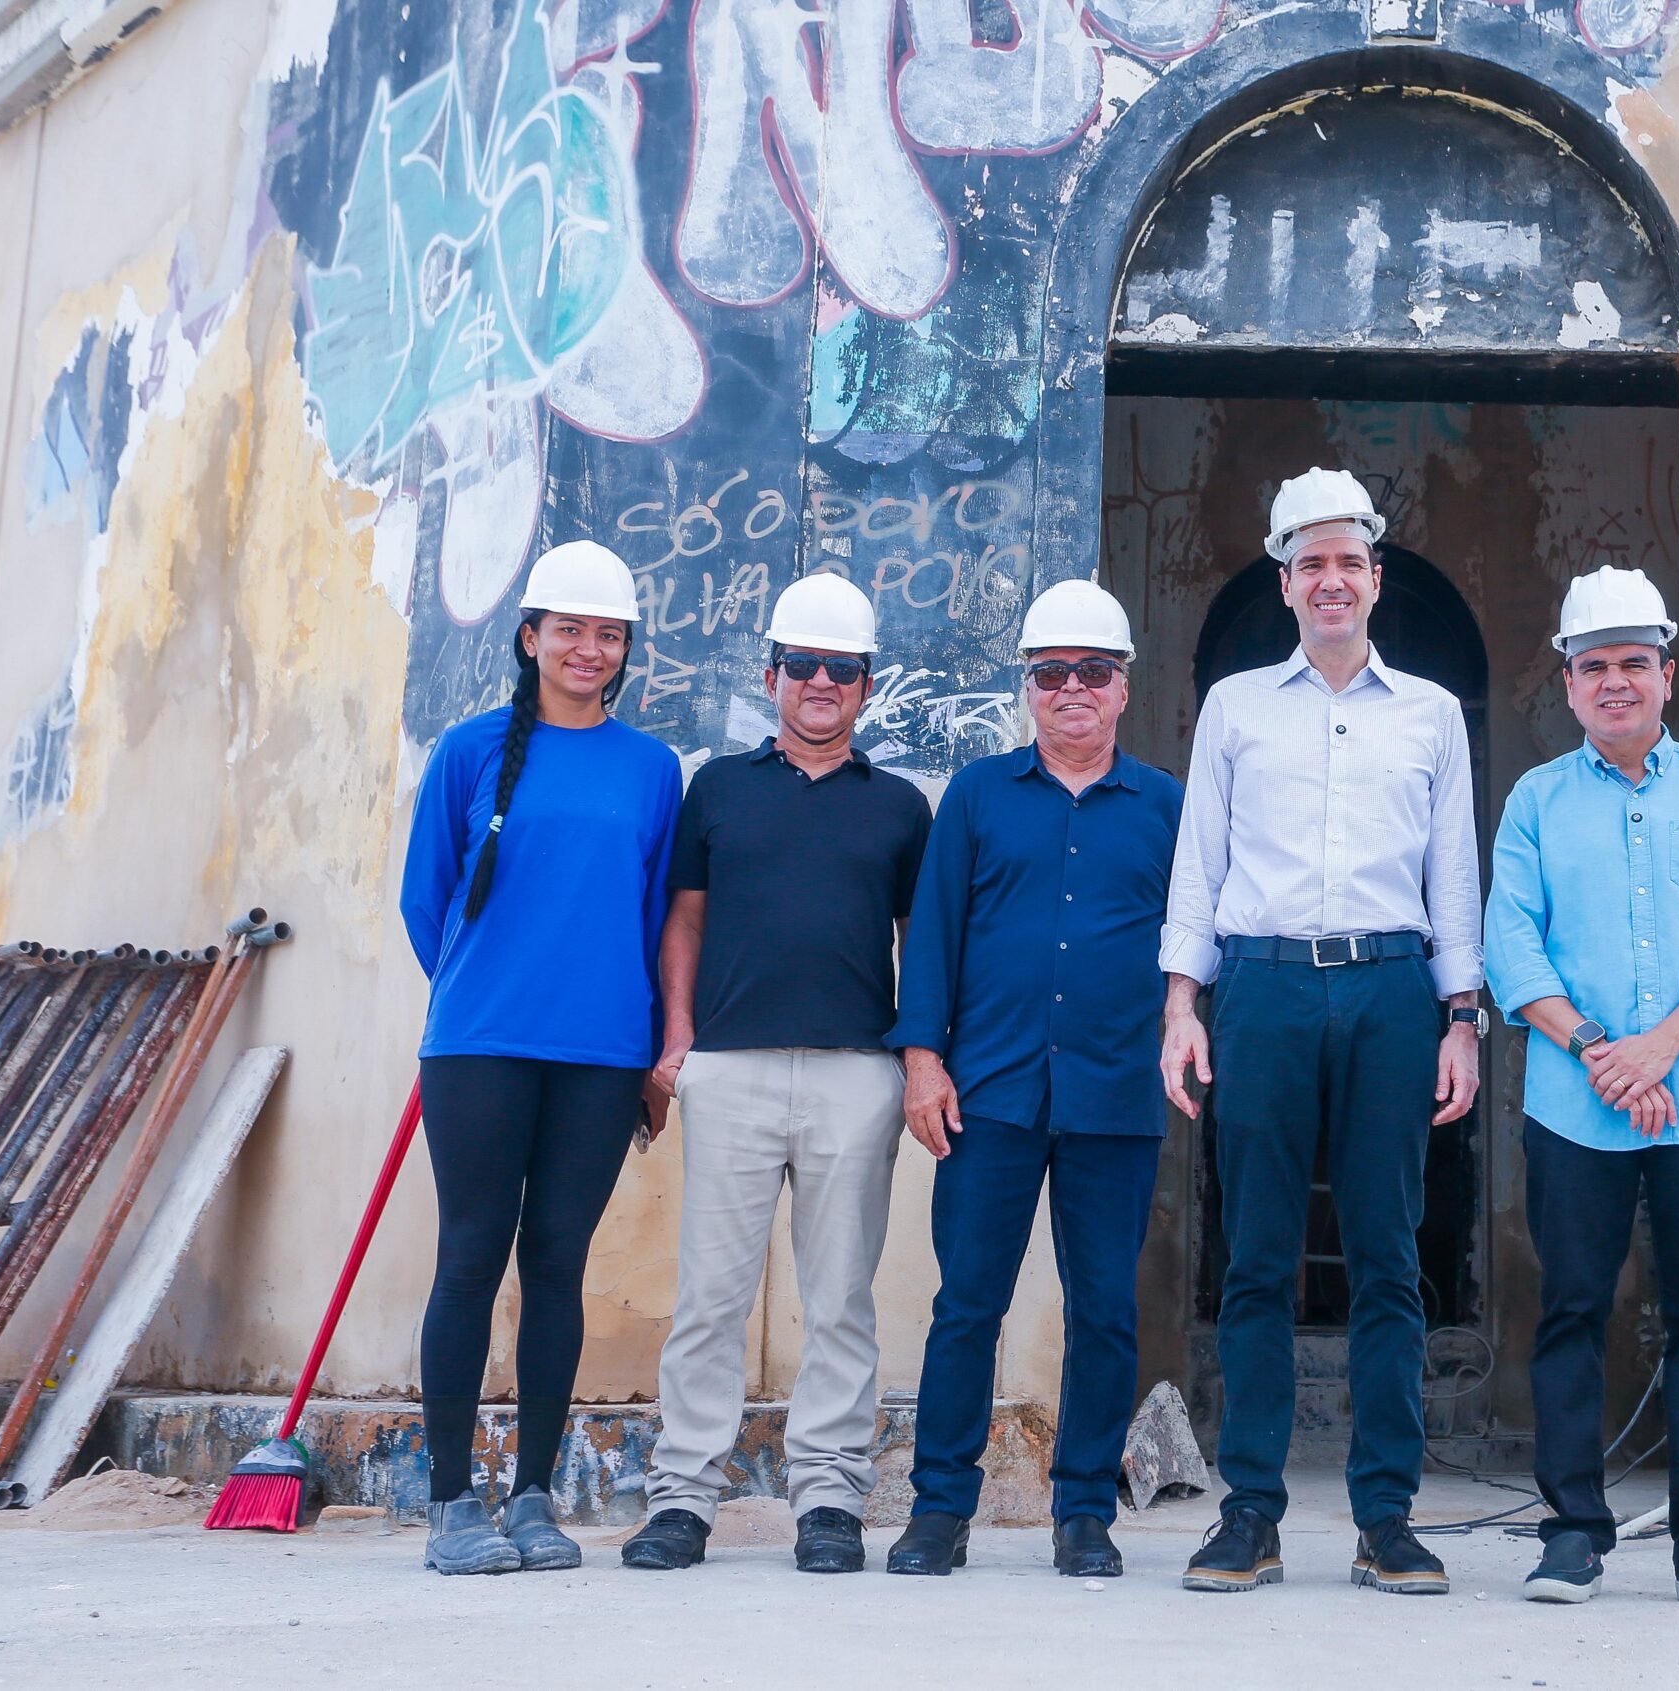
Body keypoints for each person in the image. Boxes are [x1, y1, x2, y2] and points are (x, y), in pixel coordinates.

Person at [1159, 468, 1485, 1597]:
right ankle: (1248, 1512)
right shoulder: (1237, 707)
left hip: (1393, 992)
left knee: (1390, 1261)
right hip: (1263, 991)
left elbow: (1453, 874)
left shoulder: (1432, 714)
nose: (1332, 580)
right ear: (1284, 579)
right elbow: (1199, 864)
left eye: (1350, 561)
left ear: (1374, 578)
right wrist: (1180, 1007)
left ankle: (1385, 1519)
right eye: (1312, 563)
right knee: (1256, 1258)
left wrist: (1461, 1018)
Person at [1483, 567, 1679, 1611]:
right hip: (1576, 1104)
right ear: (1567, 685)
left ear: (1666, 675)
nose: (1613, 682)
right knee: (1571, 1309)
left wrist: (1659, 1048)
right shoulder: (1536, 802)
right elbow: (1510, 946)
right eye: (1593, 667)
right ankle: (1572, 1530)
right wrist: (1601, 1055)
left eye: (1632, 663)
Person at [620, 572, 932, 1576]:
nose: (821, 683)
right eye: (803, 665)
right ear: (772, 675)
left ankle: (830, 1501)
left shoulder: (899, 809)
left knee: (839, 1296)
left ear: (866, 687)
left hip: (855, 1074)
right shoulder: (716, 787)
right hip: (732, 1070)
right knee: (711, 1296)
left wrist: (917, 1062)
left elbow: (916, 941)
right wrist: (676, 1045)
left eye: (842, 669)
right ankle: (682, 1501)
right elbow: (686, 920)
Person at [884, 581, 1185, 1580]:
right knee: (967, 1303)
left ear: (1121, 687)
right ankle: (938, 1512)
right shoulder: (975, 796)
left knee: (1104, 1309)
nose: (1070, 691)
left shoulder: (1166, 807)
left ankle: (1084, 1515)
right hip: (991, 1094)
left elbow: (1194, 945)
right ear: (1027, 687)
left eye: (1091, 672)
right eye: (1051, 673)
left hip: (1113, 1098)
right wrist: (922, 1061)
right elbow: (932, 933)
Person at [399, 538, 681, 1576]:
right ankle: (449, 1501)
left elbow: (657, 919)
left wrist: (647, 1053)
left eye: (608, 634)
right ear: (531, 638)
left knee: (558, 1265)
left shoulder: (653, 771)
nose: (588, 649)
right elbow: (425, 901)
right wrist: (489, 991)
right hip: (479, 1048)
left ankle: (531, 1498)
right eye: (569, 629)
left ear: (624, 651)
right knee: (470, 1258)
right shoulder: (467, 752)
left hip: (602, 1058)